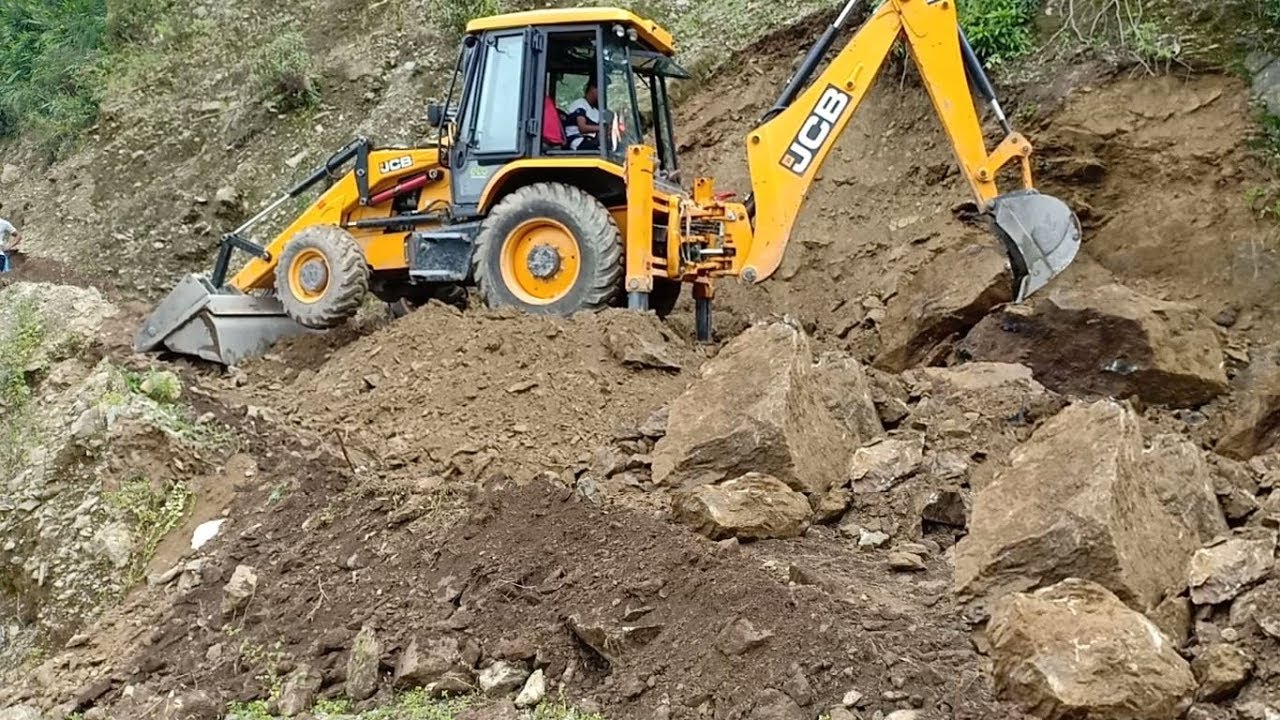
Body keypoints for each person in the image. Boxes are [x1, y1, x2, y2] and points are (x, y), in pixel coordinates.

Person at [563, 78, 601, 151]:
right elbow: (582, 128)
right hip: (576, 140)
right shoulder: (580, 104)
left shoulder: (596, 111)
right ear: (592, 89)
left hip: (589, 139)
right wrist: (602, 128)